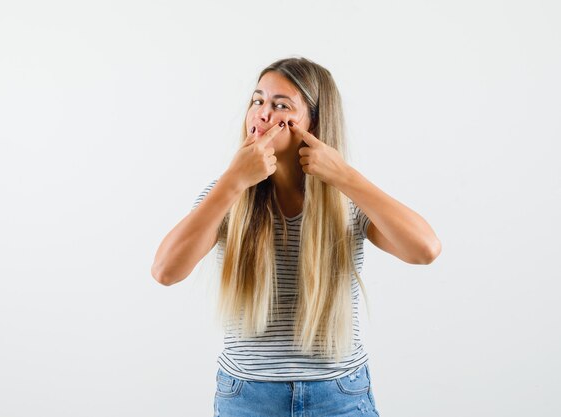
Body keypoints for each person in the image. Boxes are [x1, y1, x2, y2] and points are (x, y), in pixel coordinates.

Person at [151, 56, 441, 417]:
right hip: (247, 397)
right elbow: (165, 271)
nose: (261, 114)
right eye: (257, 101)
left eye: (280, 105)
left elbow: (425, 249)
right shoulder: (224, 195)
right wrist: (232, 181)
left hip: (340, 395)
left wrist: (345, 176)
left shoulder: (348, 200)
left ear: (314, 122)